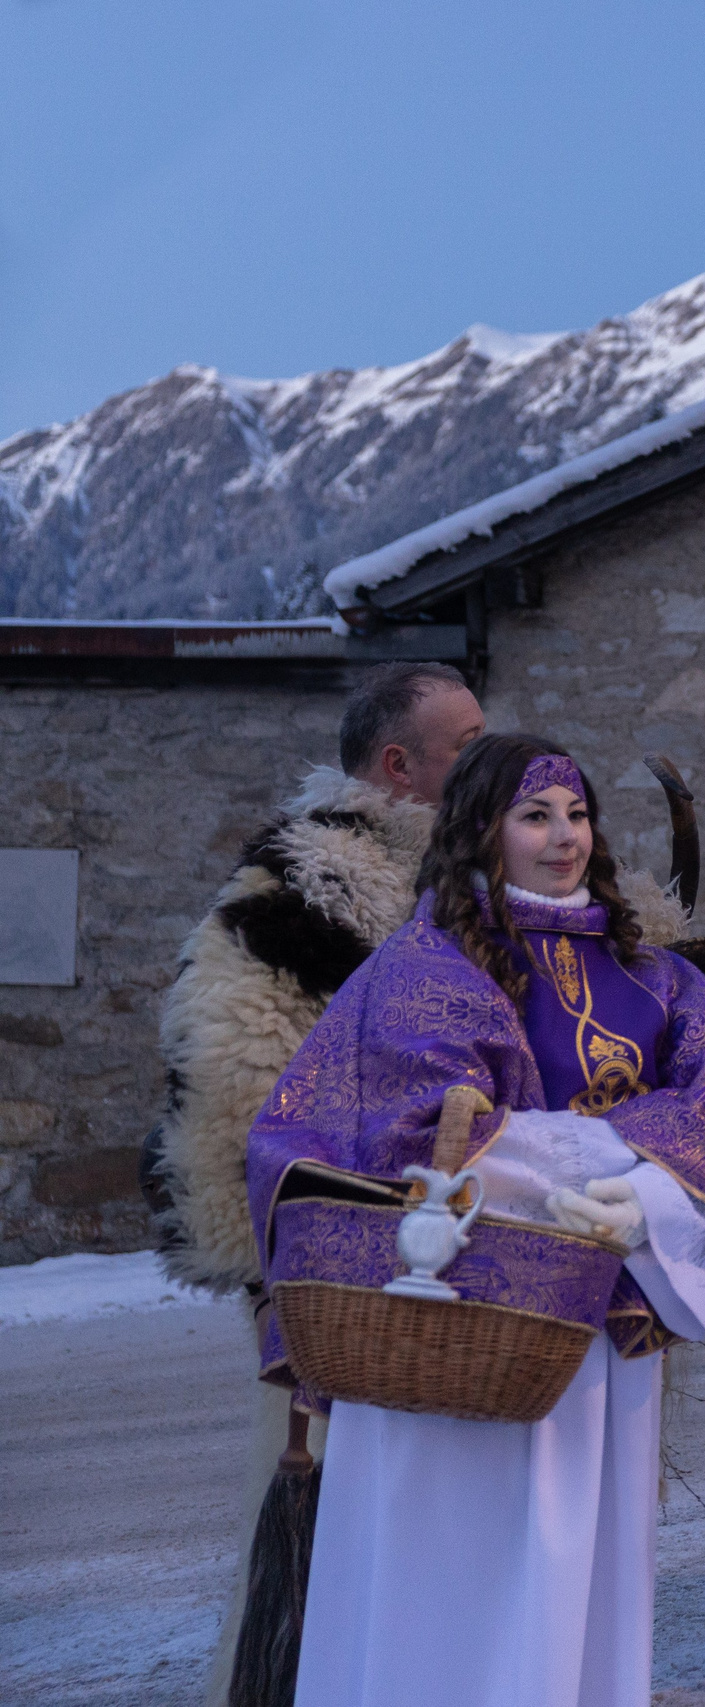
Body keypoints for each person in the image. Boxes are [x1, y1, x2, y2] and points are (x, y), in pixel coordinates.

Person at [245, 734, 705, 1707]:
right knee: (452, 1575)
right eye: (536, 816)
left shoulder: (654, 977)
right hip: (448, 1324)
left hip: (597, 1337)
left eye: (576, 814)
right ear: (481, 832)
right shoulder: (421, 969)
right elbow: (422, 1134)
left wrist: (651, 1199)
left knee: (579, 1563)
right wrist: (623, 1153)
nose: (564, 836)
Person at [151, 660, 482, 1707]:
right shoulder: (308, 888)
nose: (491, 757)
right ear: (400, 765)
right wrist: (312, 1254)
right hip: (349, 1280)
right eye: (467, 744)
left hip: (462, 1264)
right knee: (336, 1531)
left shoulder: (461, 878)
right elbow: (235, 1077)